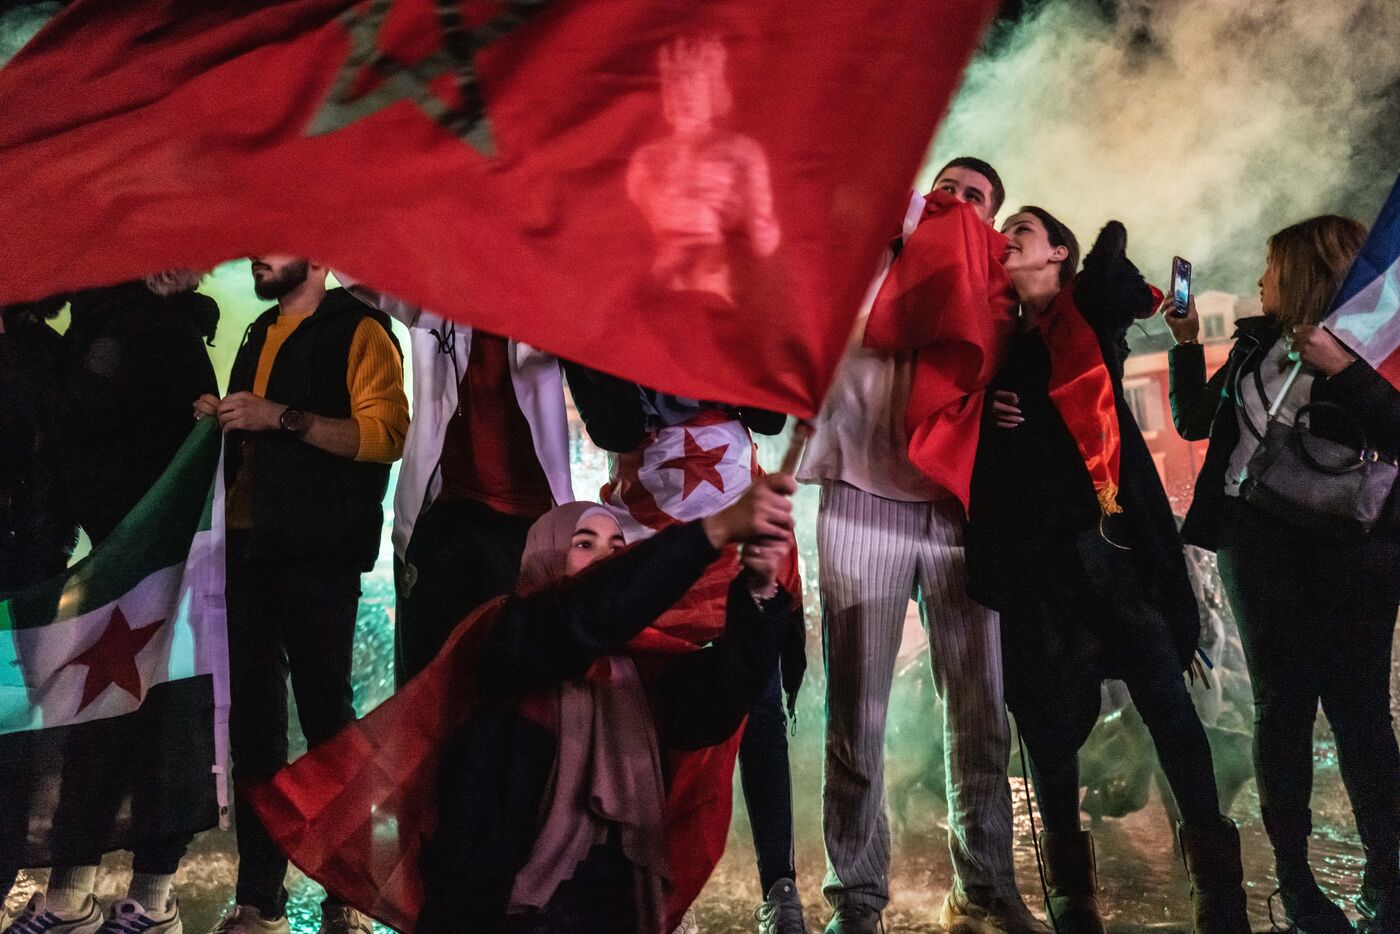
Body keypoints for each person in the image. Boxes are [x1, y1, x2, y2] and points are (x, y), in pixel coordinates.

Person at [966, 208, 1249, 934]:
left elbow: (1122, 284)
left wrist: (1112, 253)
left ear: (1058, 252)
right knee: (1049, 732)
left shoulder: (1087, 316)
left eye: (1023, 228)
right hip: (1040, 571)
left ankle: (1220, 893)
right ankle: (1073, 899)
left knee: (1170, 713)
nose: (1005, 236)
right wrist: (985, 410)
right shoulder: (992, 337)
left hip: (1114, 557)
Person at [800, 158, 1048, 934]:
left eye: (976, 199)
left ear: (992, 222)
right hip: (860, 496)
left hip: (954, 506)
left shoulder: (1000, 295)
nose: (957, 203)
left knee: (979, 707)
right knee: (857, 711)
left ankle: (984, 887)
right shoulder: (865, 253)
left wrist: (1009, 405)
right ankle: (858, 898)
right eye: (948, 189)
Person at [1168, 215, 1399, 934]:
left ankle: (1388, 879)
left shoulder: (1379, 343)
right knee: (1283, 707)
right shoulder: (1256, 343)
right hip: (1259, 543)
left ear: (1301, 272)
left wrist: (1345, 371)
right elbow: (1192, 421)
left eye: (1270, 267)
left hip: (1358, 545)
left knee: (1361, 711)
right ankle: (1297, 887)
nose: (1260, 280)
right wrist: (1186, 346)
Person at [2, 272, 219, 934]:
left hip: (139, 574)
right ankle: (90, 896)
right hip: (106, 571)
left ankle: (138, 898)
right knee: (99, 725)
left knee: (142, 725)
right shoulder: (82, 334)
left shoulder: (129, 334)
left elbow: (77, 443)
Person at [197, 255, 408, 934]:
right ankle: (260, 898)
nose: (256, 254)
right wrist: (221, 419)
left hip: (318, 555)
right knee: (254, 730)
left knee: (327, 725)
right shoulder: (259, 332)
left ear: (317, 256)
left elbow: (385, 435)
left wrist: (280, 417)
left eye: (274, 241)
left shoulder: (362, 330)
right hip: (247, 551)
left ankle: (346, 891)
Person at [563, 367, 806, 934]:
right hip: (647, 516)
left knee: (760, 708)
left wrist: (722, 347)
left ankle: (780, 888)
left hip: (737, 503)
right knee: (651, 716)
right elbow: (616, 428)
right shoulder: (616, 324)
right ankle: (662, 884)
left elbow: (769, 416)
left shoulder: (728, 314)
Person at [338, 277, 575, 685]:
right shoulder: (433, 296)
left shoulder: (545, 299)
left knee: (513, 686)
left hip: (525, 524)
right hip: (441, 516)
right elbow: (362, 276)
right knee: (427, 685)